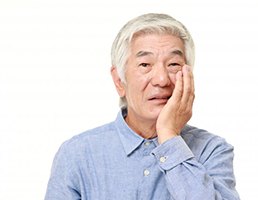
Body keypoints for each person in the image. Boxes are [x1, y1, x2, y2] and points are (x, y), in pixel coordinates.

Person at [45, 13, 240, 200]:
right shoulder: (77, 154)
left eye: (173, 64)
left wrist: (169, 135)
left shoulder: (213, 150)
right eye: (145, 64)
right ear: (119, 81)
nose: (162, 80)